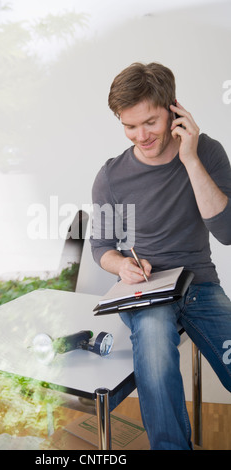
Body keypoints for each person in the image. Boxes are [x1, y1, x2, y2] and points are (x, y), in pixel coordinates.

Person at [90, 62, 231, 450]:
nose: (140, 136)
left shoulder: (208, 153)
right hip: (146, 290)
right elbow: (100, 246)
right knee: (153, 348)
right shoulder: (112, 176)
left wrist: (190, 159)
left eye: (149, 122)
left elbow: (227, 232)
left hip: (200, 284)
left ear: (173, 110)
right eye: (128, 126)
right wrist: (121, 265)